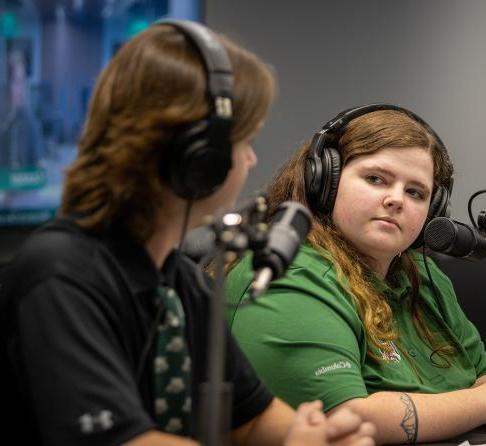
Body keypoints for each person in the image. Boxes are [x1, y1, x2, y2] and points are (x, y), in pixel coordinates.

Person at [0, 21, 375, 446]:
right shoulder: (59, 276)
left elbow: (252, 421)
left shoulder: (181, 283)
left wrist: (318, 436)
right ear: (199, 157)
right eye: (245, 142)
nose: (252, 160)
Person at [225, 104, 486, 444]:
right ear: (324, 181)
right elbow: (343, 418)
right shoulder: (287, 274)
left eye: (416, 192)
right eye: (375, 179)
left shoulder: (423, 275)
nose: (396, 200)